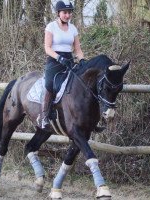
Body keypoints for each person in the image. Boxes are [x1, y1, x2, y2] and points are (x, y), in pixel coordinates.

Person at [41, 0, 85, 130]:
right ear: (58, 13)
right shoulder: (51, 26)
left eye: (69, 13)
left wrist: (82, 60)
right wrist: (59, 57)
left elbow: (77, 49)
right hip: (54, 61)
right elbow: (47, 48)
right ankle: (44, 116)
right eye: (65, 13)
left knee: (82, 83)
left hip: (69, 60)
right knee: (49, 83)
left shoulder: (73, 28)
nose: (67, 15)